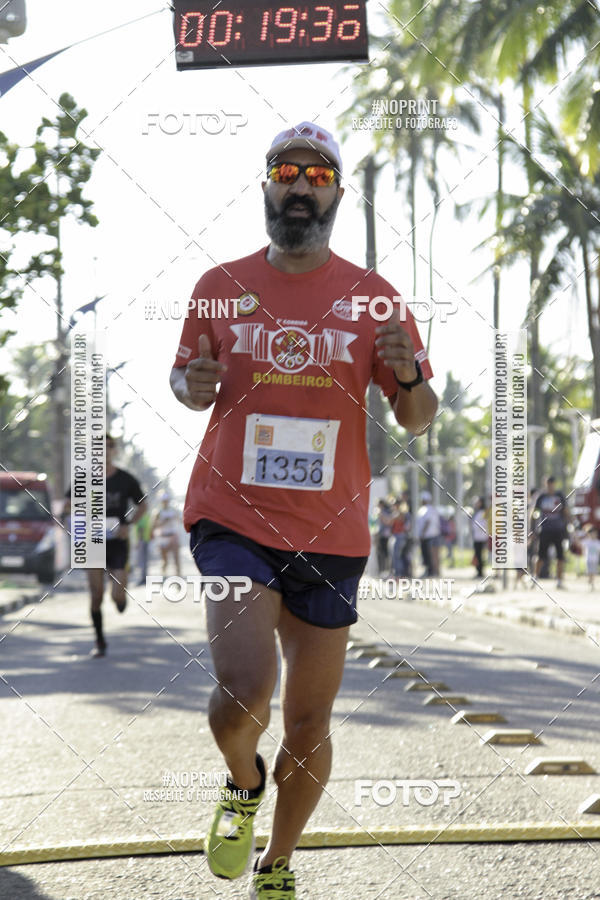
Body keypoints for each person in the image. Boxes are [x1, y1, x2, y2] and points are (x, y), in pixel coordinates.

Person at [169, 121, 437, 898]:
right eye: (286, 172)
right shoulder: (219, 285)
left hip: (332, 531)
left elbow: (418, 414)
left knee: (310, 726)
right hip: (232, 517)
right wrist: (192, 383)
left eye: (316, 178)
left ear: (337, 196)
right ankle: (242, 782)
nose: (299, 186)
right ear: (265, 188)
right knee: (241, 695)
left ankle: (278, 862)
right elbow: (190, 387)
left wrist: (411, 374)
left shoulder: (375, 298)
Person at [64, 435, 146, 657]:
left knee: (117, 596)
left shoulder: (126, 479)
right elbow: (68, 505)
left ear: (114, 451)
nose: (104, 451)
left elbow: (142, 505)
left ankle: (120, 599)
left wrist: (129, 525)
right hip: (93, 541)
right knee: (96, 594)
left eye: (109, 447)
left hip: (118, 541)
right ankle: (99, 641)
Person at [532, 476, 570, 588]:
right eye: (548, 484)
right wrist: (533, 530)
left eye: (552, 484)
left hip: (558, 530)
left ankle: (559, 580)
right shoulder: (541, 497)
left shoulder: (560, 496)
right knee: (541, 555)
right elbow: (534, 513)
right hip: (545, 530)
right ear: (545, 484)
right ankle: (535, 577)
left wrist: (570, 525)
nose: (550, 486)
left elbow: (566, 512)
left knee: (560, 556)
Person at [152, 492, 181, 576]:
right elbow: (153, 525)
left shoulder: (173, 511)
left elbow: (180, 520)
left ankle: (178, 577)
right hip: (163, 538)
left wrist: (176, 518)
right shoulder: (158, 512)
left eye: (166, 500)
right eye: (164, 500)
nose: (165, 502)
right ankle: (163, 575)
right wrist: (163, 522)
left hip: (173, 536)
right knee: (165, 560)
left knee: (176, 559)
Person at [415, 491, 441, 576]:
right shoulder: (431, 509)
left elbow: (427, 522)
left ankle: (432, 571)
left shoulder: (426, 509)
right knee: (432, 555)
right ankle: (434, 571)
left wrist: (422, 533)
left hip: (428, 536)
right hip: (432, 535)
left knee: (430, 555)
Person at [134, 509, 153, 585]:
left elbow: (141, 529)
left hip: (142, 541)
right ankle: (144, 577)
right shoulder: (146, 516)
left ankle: (143, 578)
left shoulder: (141, 516)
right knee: (144, 561)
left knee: (141, 561)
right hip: (146, 540)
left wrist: (138, 541)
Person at [375, 498, 393, 574]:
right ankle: (382, 569)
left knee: (385, 553)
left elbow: (388, 522)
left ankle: (387, 570)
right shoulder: (379, 512)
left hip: (385, 535)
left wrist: (381, 516)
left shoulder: (385, 512)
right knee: (380, 553)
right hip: (380, 535)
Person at [471, 496, 488, 578]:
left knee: (479, 555)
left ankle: (480, 571)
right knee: (477, 555)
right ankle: (478, 570)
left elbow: (484, 524)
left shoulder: (483, 512)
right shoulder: (477, 512)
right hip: (477, 537)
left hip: (481, 537)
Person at [582, 526, 600, 590]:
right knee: (589, 571)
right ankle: (590, 580)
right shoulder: (587, 542)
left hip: (595, 560)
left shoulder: (598, 542)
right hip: (588, 559)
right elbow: (581, 545)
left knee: (594, 572)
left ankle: (592, 583)